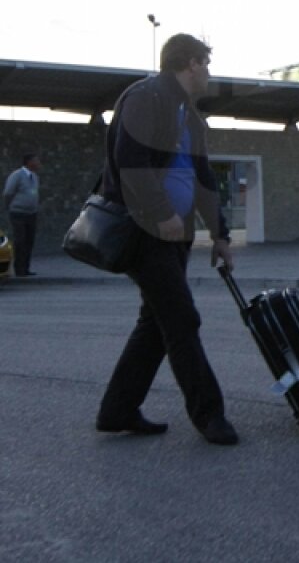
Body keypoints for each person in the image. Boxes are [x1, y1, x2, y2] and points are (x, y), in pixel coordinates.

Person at [95, 33, 238, 445]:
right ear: (191, 63)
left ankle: (117, 410)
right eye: (206, 64)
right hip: (145, 231)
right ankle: (210, 415)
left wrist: (220, 235)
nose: (208, 73)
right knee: (181, 318)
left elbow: (203, 177)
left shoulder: (188, 114)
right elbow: (130, 160)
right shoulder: (146, 96)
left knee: (155, 323)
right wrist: (161, 213)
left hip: (175, 236)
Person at [3, 152, 42, 277]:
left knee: (29, 240)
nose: (38, 163)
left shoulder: (35, 177)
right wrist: (10, 206)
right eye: (36, 161)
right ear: (29, 162)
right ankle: (19, 268)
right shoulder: (17, 175)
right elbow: (8, 192)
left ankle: (26, 268)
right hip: (18, 213)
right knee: (20, 240)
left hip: (31, 213)